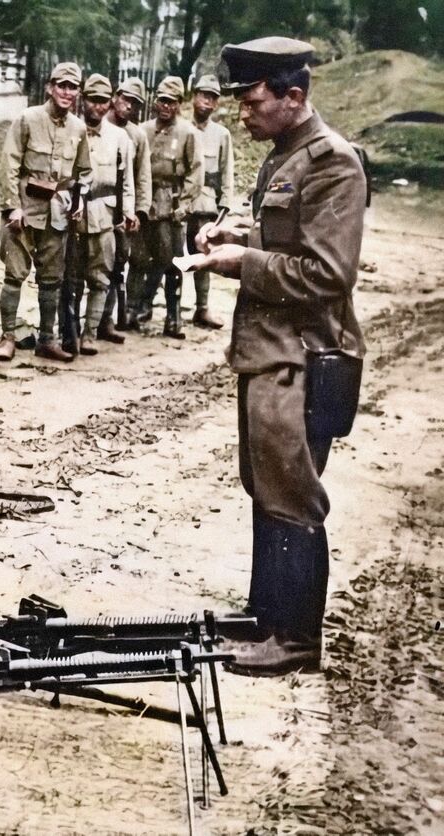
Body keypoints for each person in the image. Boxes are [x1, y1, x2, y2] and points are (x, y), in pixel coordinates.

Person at [193, 37, 367, 676]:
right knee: (265, 486)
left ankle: (294, 638)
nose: (243, 112)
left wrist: (245, 263)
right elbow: (280, 233)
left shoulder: (334, 163)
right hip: (270, 354)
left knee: (292, 495)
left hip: (305, 358)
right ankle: (266, 615)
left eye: (253, 99)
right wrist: (236, 232)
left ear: (294, 96)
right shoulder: (285, 155)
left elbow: (327, 272)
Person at [0, 61, 91, 363]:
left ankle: (46, 339)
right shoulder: (28, 118)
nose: (66, 92)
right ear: (50, 88)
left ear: (77, 93)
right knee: (15, 275)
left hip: (57, 214)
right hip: (24, 210)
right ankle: (8, 336)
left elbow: (84, 171)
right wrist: (12, 206)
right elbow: (8, 162)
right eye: (61, 85)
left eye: (72, 87)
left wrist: (81, 199)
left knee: (52, 278)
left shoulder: (78, 128)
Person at [135, 75, 203, 339]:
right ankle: (138, 308)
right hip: (146, 201)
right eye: (162, 100)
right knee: (143, 259)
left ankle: (173, 319)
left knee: (173, 262)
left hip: (172, 205)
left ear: (179, 104)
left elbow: (196, 172)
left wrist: (184, 205)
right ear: (155, 102)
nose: (166, 107)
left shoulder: (188, 133)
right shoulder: (143, 130)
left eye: (172, 102)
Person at [73, 73, 134, 355]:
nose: (97, 107)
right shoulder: (72, 130)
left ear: (110, 103)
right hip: (73, 213)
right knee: (70, 276)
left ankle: (90, 333)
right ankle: (69, 331)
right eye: (92, 100)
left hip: (106, 215)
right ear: (83, 100)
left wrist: (128, 212)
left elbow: (127, 181)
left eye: (102, 102)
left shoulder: (120, 137)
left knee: (100, 277)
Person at [187, 74, 234, 330]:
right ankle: (148, 308)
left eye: (213, 97)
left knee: (203, 255)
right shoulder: (182, 129)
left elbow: (226, 171)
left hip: (206, 204)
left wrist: (225, 202)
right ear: (194, 97)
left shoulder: (221, 135)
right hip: (181, 203)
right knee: (171, 256)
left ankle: (202, 308)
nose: (207, 101)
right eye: (204, 95)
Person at [107, 77, 152, 334]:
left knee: (118, 264)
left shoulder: (137, 135)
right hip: (95, 206)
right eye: (125, 100)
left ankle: (108, 319)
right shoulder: (96, 126)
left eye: (135, 104)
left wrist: (138, 212)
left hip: (123, 209)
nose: (129, 107)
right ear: (115, 97)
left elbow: (143, 177)